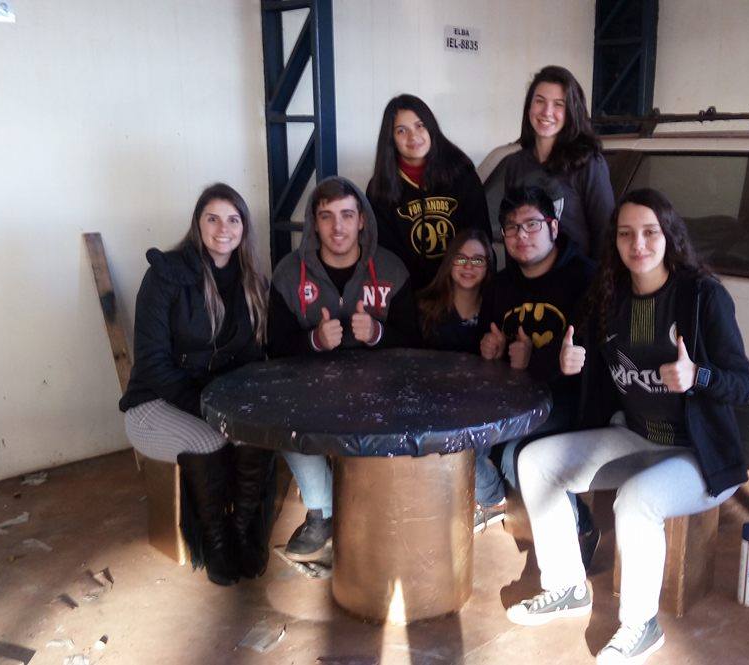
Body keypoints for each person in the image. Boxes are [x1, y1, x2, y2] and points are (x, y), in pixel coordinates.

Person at [505, 189, 749, 665]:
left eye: (649, 232)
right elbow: (575, 353)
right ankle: (566, 586)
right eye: (625, 234)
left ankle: (641, 625)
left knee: (638, 499)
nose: (637, 244)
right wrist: (565, 361)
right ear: (614, 241)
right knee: (534, 461)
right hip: (636, 436)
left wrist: (698, 376)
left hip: (699, 455)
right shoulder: (608, 295)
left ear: (669, 235)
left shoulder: (702, 296)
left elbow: (743, 385)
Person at [119, 183, 274, 586]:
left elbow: (252, 361)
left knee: (255, 438)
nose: (224, 229)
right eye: (213, 218)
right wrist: (210, 411)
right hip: (155, 403)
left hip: (214, 402)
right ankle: (215, 542)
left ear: (244, 228)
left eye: (233, 220)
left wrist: (241, 412)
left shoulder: (252, 282)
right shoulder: (165, 277)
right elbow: (152, 364)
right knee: (209, 442)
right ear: (198, 224)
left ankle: (242, 531)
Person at [268, 175, 419, 562]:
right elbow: (275, 347)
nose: (338, 227)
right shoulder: (288, 273)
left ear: (362, 220)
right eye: (327, 216)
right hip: (309, 385)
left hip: (380, 385)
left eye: (347, 215)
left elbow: (416, 342)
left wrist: (378, 333)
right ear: (314, 223)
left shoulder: (391, 268)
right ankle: (321, 510)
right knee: (279, 415)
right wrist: (314, 341)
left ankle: (374, 511)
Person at [479, 185, 597, 558]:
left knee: (516, 455)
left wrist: (535, 361)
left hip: (570, 402)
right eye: (511, 228)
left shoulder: (585, 279)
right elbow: (490, 342)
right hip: (513, 401)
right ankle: (495, 502)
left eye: (532, 224)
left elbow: (592, 358)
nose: (522, 235)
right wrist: (490, 350)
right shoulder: (500, 285)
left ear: (553, 227)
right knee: (465, 442)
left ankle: (578, 529)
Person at [415, 228, 506, 530]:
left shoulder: (497, 309)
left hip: (481, 405)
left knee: (468, 447)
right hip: (434, 403)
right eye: (461, 258)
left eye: (478, 260)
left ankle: (493, 500)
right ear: (449, 262)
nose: (468, 266)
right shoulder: (425, 306)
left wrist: (496, 353)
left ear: (488, 266)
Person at [484, 65, 614, 258]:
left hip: (576, 275)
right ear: (529, 106)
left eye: (559, 104)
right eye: (540, 101)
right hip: (525, 275)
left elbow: (605, 236)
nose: (547, 112)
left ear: (572, 111)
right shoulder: (515, 164)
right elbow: (511, 227)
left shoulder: (589, 164)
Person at [367, 94, 491, 291]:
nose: (413, 137)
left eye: (420, 125)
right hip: (407, 291)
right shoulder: (379, 188)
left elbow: (480, 237)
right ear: (391, 139)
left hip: (461, 288)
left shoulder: (462, 174)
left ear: (431, 127)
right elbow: (386, 255)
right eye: (401, 130)